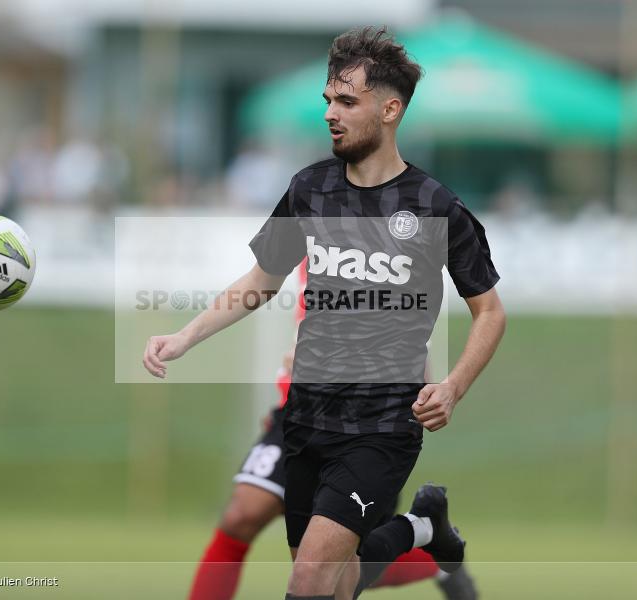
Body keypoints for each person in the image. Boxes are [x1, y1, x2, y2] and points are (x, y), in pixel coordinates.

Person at [144, 26, 506, 599]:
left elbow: (489, 312)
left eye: (347, 101)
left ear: (390, 109)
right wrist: (184, 337)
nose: (331, 114)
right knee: (338, 581)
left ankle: (418, 529)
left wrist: (455, 385)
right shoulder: (308, 189)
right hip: (306, 415)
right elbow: (262, 282)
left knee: (308, 576)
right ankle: (421, 528)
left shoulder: (435, 206)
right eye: (328, 101)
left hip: (383, 422)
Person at [188, 263, 478, 600]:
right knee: (241, 515)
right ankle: (424, 536)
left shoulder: (390, 237)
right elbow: (269, 285)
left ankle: (427, 550)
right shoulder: (306, 224)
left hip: (365, 419)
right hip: (298, 411)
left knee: (345, 565)